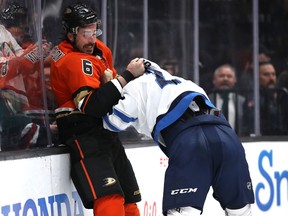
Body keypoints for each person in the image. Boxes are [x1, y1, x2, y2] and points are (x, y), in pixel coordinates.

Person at [103, 59, 255, 216]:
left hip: (191, 141)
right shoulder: (186, 82)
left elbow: (112, 123)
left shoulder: (134, 87)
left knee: (184, 212)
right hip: (227, 137)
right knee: (240, 211)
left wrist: (111, 90)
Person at [49, 3, 144, 215]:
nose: (92, 39)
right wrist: (125, 77)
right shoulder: (74, 61)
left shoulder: (99, 50)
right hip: (84, 132)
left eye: (94, 31)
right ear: (70, 35)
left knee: (130, 199)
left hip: (106, 131)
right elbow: (93, 106)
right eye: (86, 33)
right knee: (109, 197)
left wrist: (112, 84)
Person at [208, 64, 248, 135]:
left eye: (229, 76)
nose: (225, 79)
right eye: (221, 76)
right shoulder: (207, 100)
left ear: (235, 80)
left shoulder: (241, 101)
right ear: (214, 80)